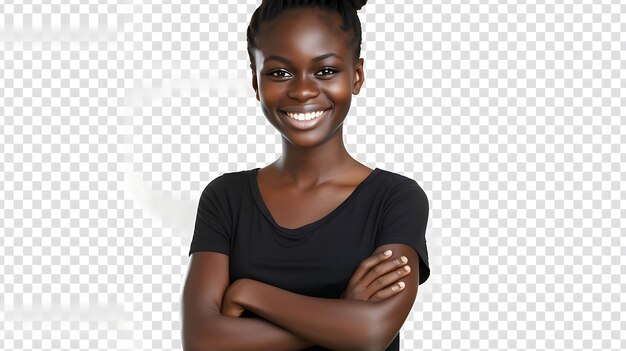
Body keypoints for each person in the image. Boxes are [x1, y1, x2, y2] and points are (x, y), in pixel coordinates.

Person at [181, 1, 430, 350]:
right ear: (255, 82)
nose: (302, 91)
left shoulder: (395, 198)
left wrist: (249, 293)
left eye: (325, 71)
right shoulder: (226, 197)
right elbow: (203, 340)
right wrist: (342, 316)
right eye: (280, 73)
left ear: (356, 76)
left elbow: (373, 332)